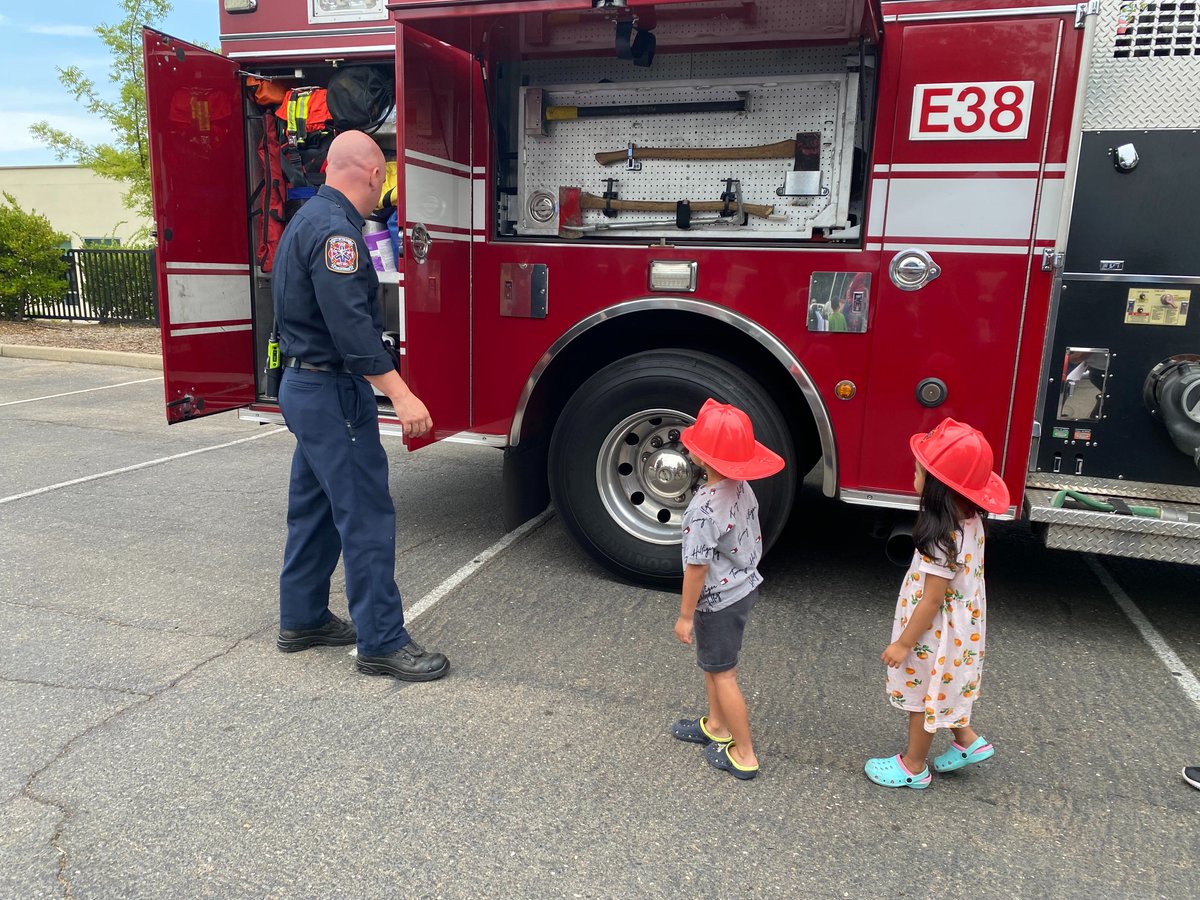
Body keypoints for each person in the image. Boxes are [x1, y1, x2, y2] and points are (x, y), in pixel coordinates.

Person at [272, 130, 449, 682]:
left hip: (305, 387)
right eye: (384, 179)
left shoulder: (306, 221)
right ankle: (382, 641)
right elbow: (350, 325)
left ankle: (302, 619)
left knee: (316, 507)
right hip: (331, 393)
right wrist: (400, 392)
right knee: (366, 516)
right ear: (373, 174)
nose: (383, 190)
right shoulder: (337, 233)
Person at [865, 418, 1009, 789]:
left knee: (922, 697)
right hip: (964, 626)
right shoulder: (971, 521)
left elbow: (931, 601)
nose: (914, 476)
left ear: (936, 487)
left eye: (918, 472)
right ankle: (968, 740)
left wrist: (903, 644)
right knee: (945, 684)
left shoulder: (939, 537)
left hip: (936, 631)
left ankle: (913, 766)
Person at [671, 399, 785, 781]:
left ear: (702, 457)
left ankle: (745, 752)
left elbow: (696, 568)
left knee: (724, 674)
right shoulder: (742, 487)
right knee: (713, 662)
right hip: (743, 586)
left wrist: (686, 615)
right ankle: (717, 727)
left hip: (717, 601)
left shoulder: (702, 510)